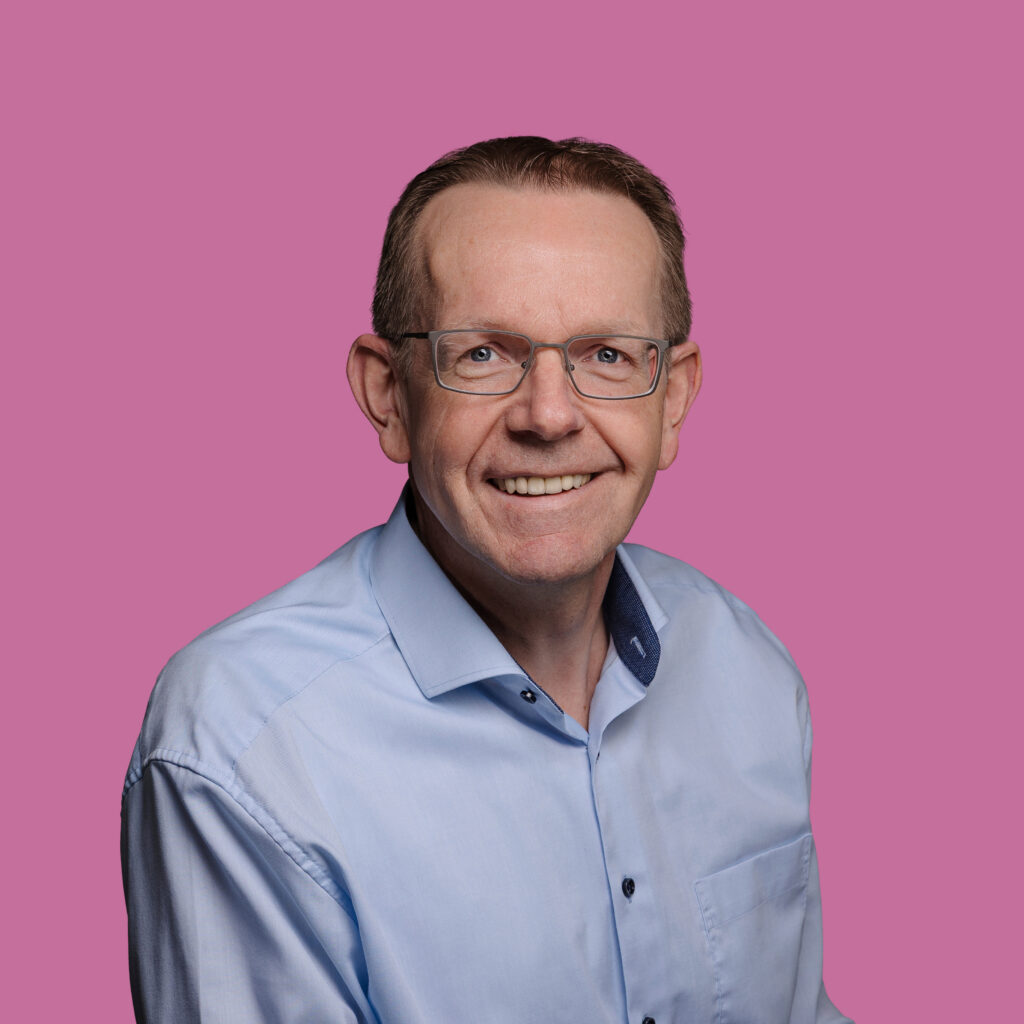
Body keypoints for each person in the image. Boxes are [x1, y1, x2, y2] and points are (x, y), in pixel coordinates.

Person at [121, 136, 852, 1023]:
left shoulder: (747, 670)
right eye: (482, 354)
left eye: (607, 355)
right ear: (389, 394)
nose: (550, 415)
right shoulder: (242, 748)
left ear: (672, 399)